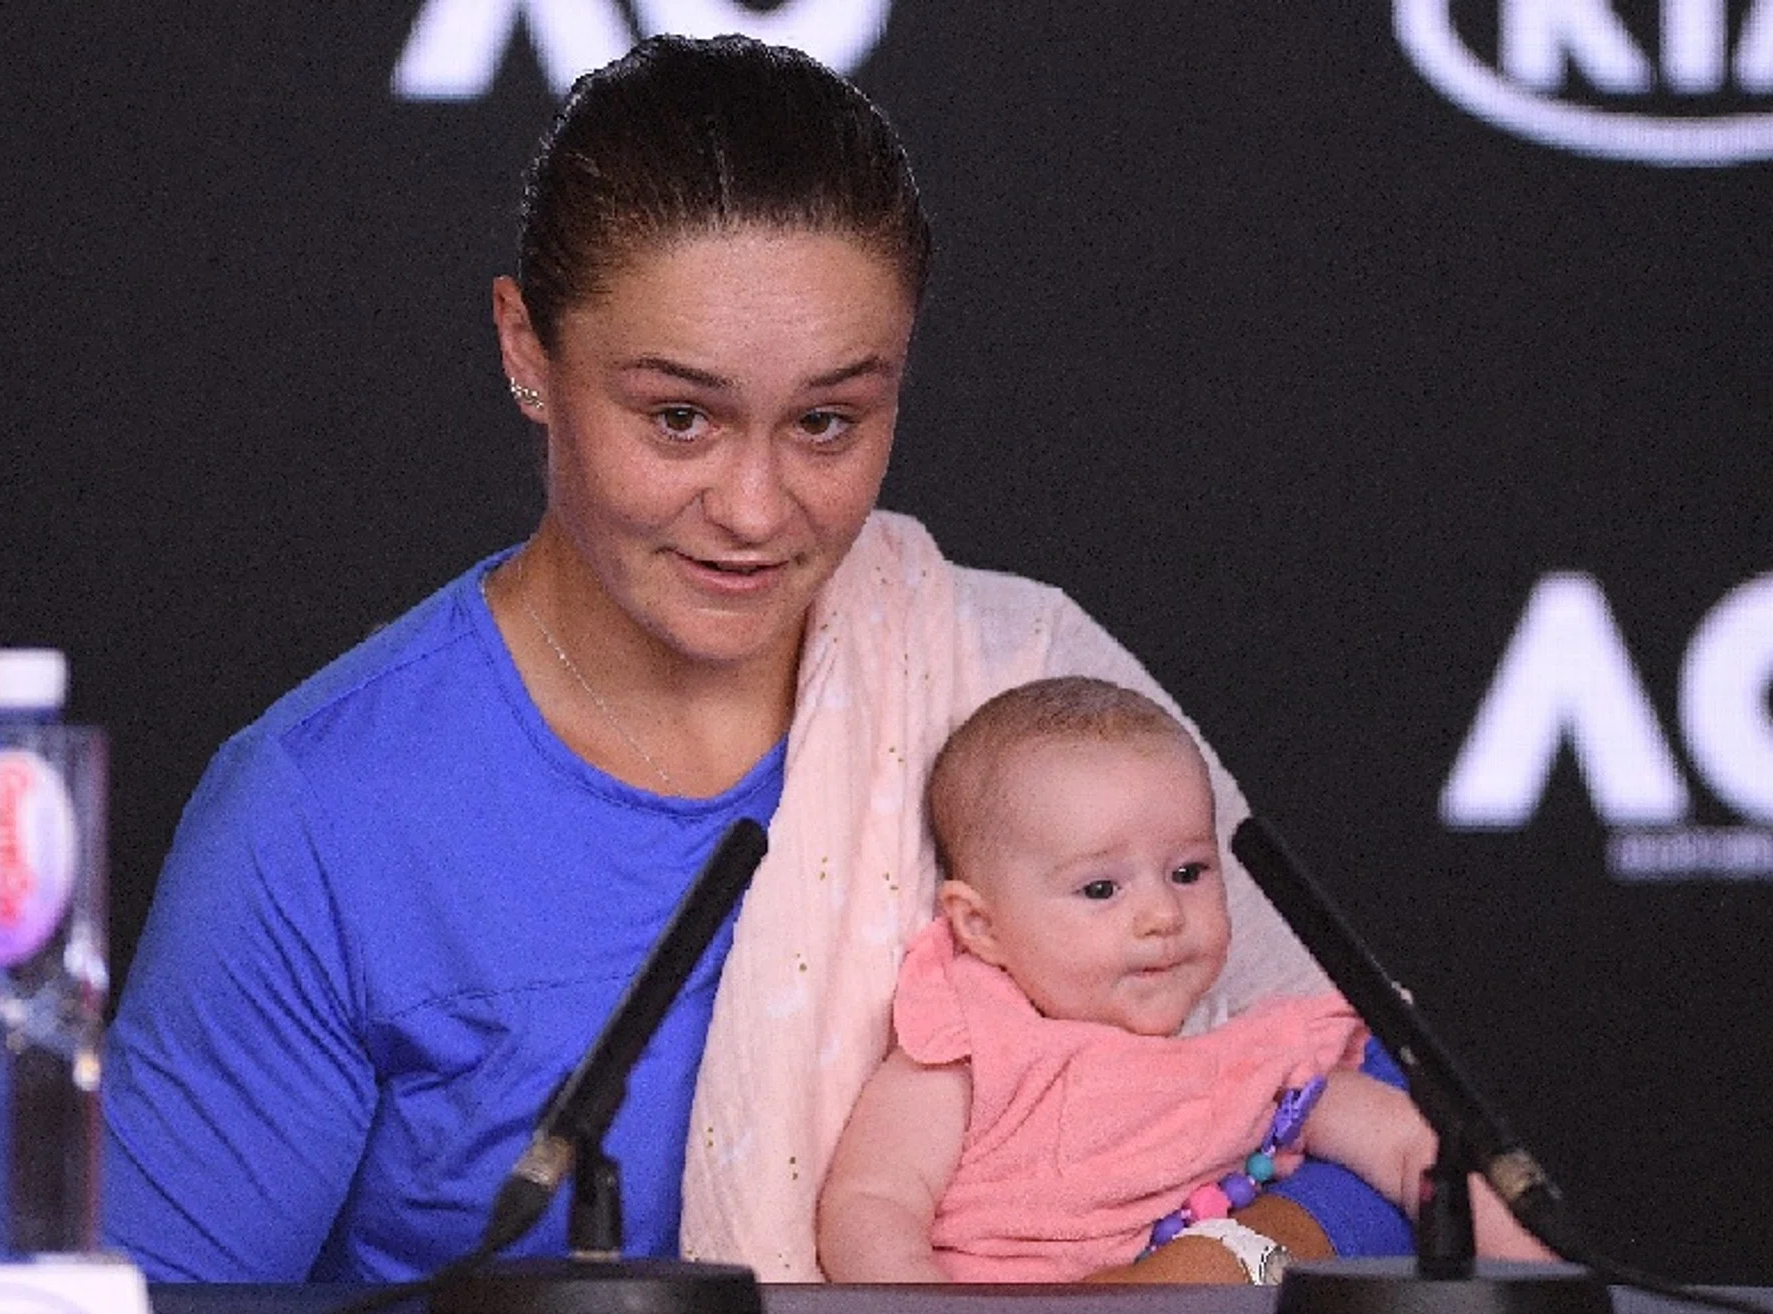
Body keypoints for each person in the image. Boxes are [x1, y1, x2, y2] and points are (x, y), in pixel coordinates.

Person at [101, 34, 1411, 1284]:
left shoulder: (1012, 681)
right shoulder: (322, 816)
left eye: (829, 421)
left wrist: (1198, 1272)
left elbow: (1389, 1117)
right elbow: (152, 1305)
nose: (755, 504)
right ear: (527, 352)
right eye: (680, 417)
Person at [816, 677, 1551, 1283]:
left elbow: (1412, 1149)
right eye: (1101, 889)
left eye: (1189, 872)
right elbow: (873, 1202)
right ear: (980, 926)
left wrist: (1556, 1289)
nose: (1163, 914)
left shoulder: (1252, 1062)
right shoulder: (973, 1046)